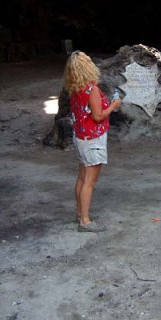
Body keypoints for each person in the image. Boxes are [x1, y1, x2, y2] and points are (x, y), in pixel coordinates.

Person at [63, 50, 121, 232]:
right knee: (90, 181)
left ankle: (80, 213)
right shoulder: (91, 89)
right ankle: (85, 221)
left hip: (81, 136)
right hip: (93, 139)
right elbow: (97, 116)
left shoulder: (74, 88)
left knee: (81, 178)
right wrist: (113, 106)